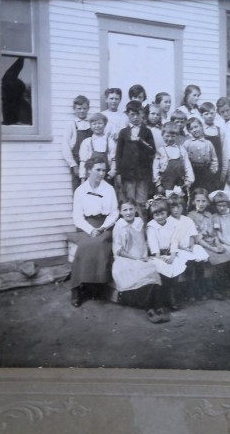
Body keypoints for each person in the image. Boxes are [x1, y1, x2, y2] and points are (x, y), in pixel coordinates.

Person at [70, 155, 119, 307]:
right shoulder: (80, 190)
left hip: (104, 224)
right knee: (85, 246)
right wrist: (91, 230)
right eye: (97, 170)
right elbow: (77, 217)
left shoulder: (109, 189)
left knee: (102, 243)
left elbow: (114, 212)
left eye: (104, 170)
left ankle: (99, 287)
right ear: (89, 169)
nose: (101, 173)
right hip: (87, 225)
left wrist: (104, 227)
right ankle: (77, 289)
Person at [111, 199, 165, 322]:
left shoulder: (139, 222)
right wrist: (136, 259)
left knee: (153, 271)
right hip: (125, 259)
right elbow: (119, 250)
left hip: (141, 257)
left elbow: (144, 240)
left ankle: (158, 307)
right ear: (120, 212)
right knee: (138, 275)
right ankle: (150, 309)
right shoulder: (119, 226)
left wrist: (145, 255)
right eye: (125, 210)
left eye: (131, 209)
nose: (128, 212)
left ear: (135, 209)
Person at [146, 197, 187, 315]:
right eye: (156, 215)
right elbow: (152, 243)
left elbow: (175, 240)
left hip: (170, 253)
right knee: (162, 270)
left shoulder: (173, 223)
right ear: (153, 215)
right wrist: (159, 256)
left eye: (162, 213)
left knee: (176, 267)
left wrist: (173, 254)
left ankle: (171, 296)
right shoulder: (151, 226)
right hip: (157, 255)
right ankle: (162, 301)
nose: (160, 217)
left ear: (167, 212)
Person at [115, 100, 156, 216]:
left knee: (142, 204)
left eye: (138, 114)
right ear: (127, 115)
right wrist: (118, 172)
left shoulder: (147, 132)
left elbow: (152, 150)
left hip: (143, 175)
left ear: (142, 114)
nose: (136, 117)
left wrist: (140, 141)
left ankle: (141, 229)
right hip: (128, 175)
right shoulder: (123, 133)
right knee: (129, 202)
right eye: (132, 114)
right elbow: (118, 154)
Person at [187, 188, 228, 300]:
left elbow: (214, 234)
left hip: (212, 244)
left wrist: (218, 244)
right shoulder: (191, 216)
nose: (201, 204)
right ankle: (208, 290)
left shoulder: (210, 215)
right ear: (193, 202)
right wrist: (213, 249)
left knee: (226, 255)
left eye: (204, 201)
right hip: (201, 246)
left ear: (208, 202)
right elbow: (197, 238)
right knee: (211, 259)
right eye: (198, 201)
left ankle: (220, 288)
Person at [153, 122, 194, 195]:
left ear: (177, 136)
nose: (170, 138)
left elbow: (188, 166)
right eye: (167, 136)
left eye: (173, 136)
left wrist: (189, 180)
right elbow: (155, 168)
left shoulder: (181, 150)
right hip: (164, 184)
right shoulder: (160, 151)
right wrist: (158, 184)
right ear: (162, 135)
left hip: (180, 183)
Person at [61, 95, 92, 190]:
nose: (82, 111)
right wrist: (73, 165)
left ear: (88, 109)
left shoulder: (92, 123)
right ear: (74, 109)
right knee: (78, 190)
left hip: (91, 161)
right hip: (77, 162)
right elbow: (65, 147)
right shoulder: (71, 125)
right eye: (79, 108)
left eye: (84, 108)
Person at [183, 117, 219, 192]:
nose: (195, 130)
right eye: (191, 129)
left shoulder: (208, 143)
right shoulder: (187, 143)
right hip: (192, 172)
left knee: (206, 191)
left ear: (201, 126)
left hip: (206, 172)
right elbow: (183, 159)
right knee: (193, 192)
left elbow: (214, 159)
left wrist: (212, 171)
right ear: (189, 131)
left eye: (196, 127)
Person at [78, 112, 116, 182]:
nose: (97, 126)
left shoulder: (110, 142)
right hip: (90, 179)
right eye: (94, 124)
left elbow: (114, 160)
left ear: (105, 125)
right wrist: (82, 178)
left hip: (107, 178)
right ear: (91, 126)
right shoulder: (87, 142)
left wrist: (111, 174)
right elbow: (83, 162)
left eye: (100, 123)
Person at [199, 101, 226, 189]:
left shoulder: (219, 131)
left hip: (218, 169)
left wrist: (224, 171)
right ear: (201, 115)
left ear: (215, 114)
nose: (210, 116)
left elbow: (224, 152)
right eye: (206, 114)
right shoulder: (200, 131)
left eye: (212, 113)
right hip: (203, 170)